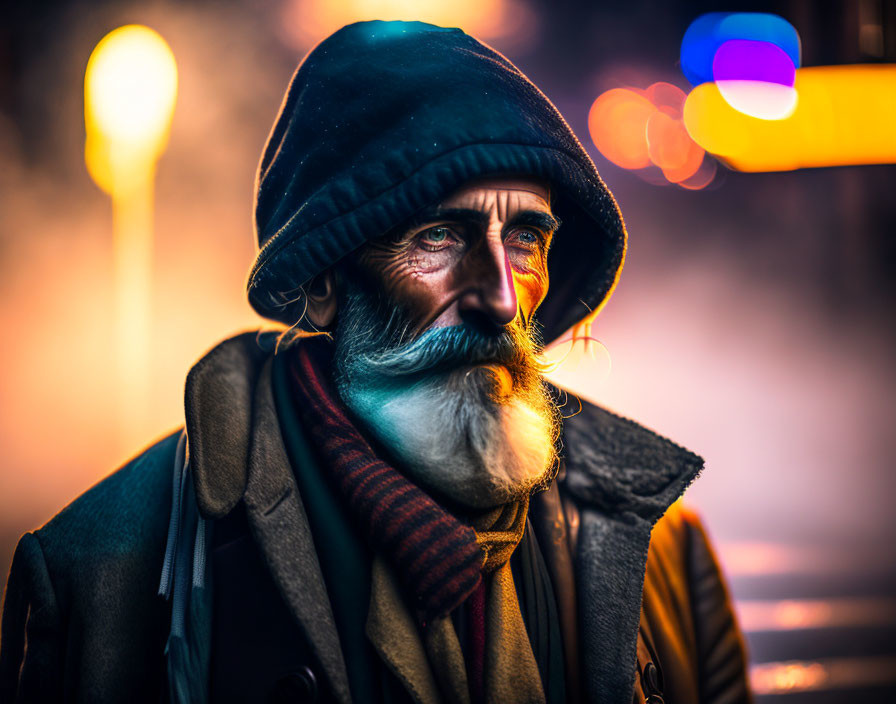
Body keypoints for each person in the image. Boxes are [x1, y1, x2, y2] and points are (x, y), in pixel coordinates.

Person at [0, 19, 751, 704]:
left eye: (526, 238)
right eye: (439, 236)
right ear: (324, 282)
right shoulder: (99, 575)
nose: (499, 298)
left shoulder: (662, 546)